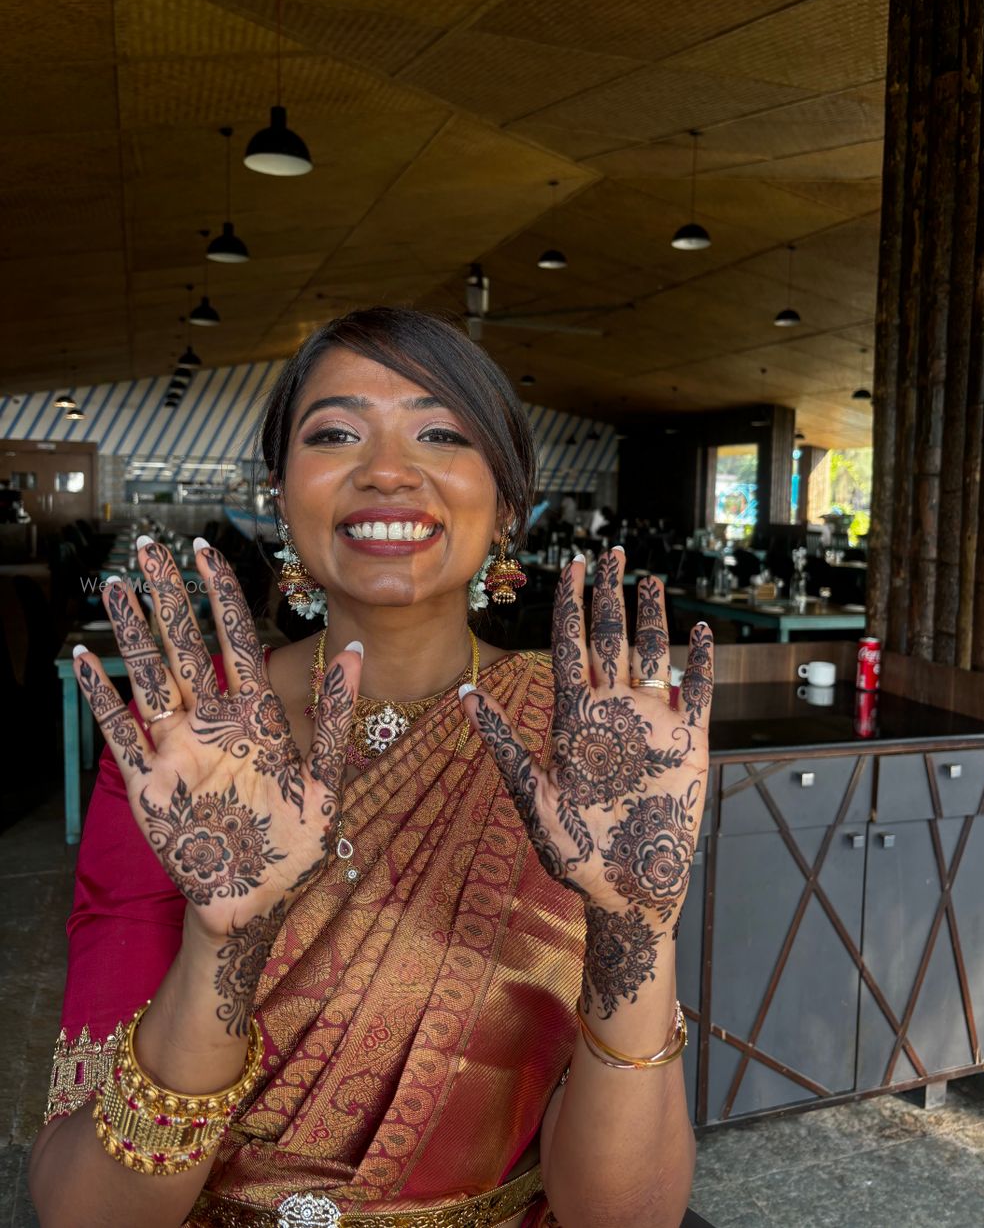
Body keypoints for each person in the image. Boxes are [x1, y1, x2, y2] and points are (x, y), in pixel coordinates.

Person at [30, 307, 714, 1228]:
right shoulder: (185, 759)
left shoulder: (594, 760)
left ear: (510, 501)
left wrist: (635, 928)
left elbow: (625, 1218)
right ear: (280, 490)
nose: (388, 469)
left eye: (440, 432)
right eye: (336, 433)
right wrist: (223, 948)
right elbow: (84, 1214)